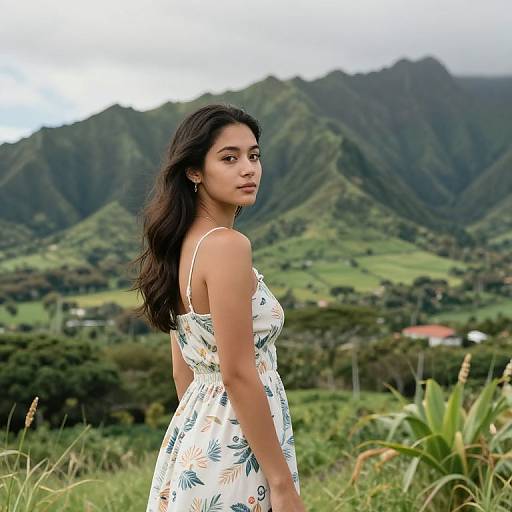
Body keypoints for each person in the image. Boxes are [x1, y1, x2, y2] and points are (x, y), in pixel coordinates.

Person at [131, 103, 306, 511]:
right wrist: (280, 484)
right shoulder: (227, 247)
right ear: (194, 170)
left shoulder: (181, 248)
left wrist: (205, 439)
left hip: (198, 438)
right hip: (240, 445)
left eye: (254, 156)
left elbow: (182, 371)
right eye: (229, 158)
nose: (248, 169)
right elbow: (238, 372)